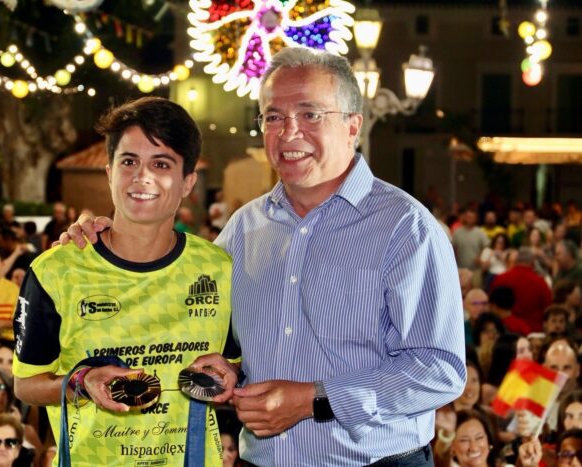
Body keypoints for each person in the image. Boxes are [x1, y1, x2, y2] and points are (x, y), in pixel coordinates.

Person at [62, 48, 465, 465]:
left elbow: (440, 370)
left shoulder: (405, 228)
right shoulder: (244, 228)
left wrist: (314, 399)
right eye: (273, 117)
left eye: (310, 114)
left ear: (353, 126)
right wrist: (108, 240)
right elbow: (199, 323)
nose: (289, 132)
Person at [13, 97, 234, 466]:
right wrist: (81, 383)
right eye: (129, 161)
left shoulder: (219, 270)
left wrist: (231, 374)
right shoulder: (56, 272)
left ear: (187, 182)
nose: (141, 176)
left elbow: (235, 365)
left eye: (161, 164)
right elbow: (26, 385)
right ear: (109, 172)